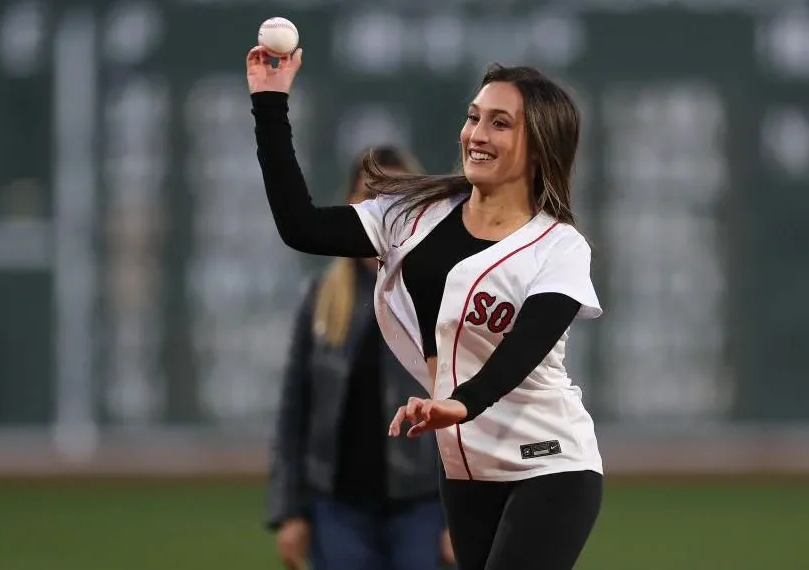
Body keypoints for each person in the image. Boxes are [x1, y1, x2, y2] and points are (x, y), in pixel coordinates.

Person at [246, 46, 604, 570]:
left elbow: (530, 342)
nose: (476, 134)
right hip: (463, 468)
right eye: (473, 117)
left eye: (499, 123)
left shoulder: (559, 247)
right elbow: (300, 226)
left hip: (549, 461)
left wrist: (462, 402)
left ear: (539, 146)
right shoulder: (414, 216)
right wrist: (270, 104)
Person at [266, 146, 455, 570]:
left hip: (422, 504)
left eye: (397, 195)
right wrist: (291, 511)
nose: (383, 209)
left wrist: (461, 518)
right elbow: (294, 412)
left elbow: (470, 410)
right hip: (338, 507)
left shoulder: (444, 294)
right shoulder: (321, 299)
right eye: (370, 195)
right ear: (350, 206)